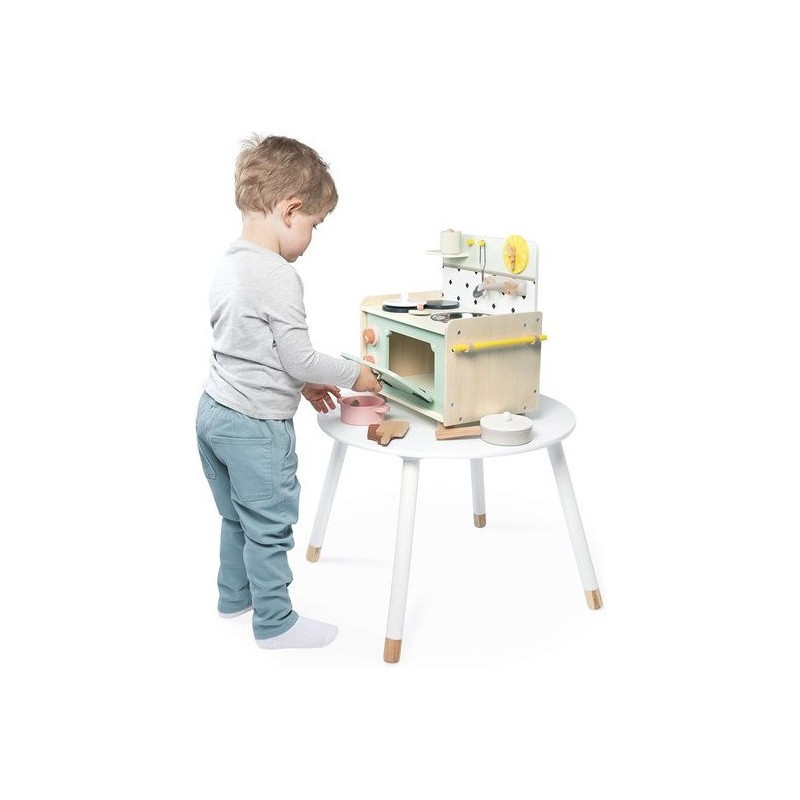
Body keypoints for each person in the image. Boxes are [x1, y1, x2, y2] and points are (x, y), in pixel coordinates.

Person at [196, 135, 381, 650]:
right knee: (269, 525)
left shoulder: (230, 262)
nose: (311, 238)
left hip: (213, 413)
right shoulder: (278, 275)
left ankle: (234, 598)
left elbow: (251, 347)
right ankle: (275, 623)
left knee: (237, 516)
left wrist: (301, 384)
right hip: (255, 428)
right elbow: (298, 356)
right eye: (313, 225)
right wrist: (355, 374)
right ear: (290, 210)